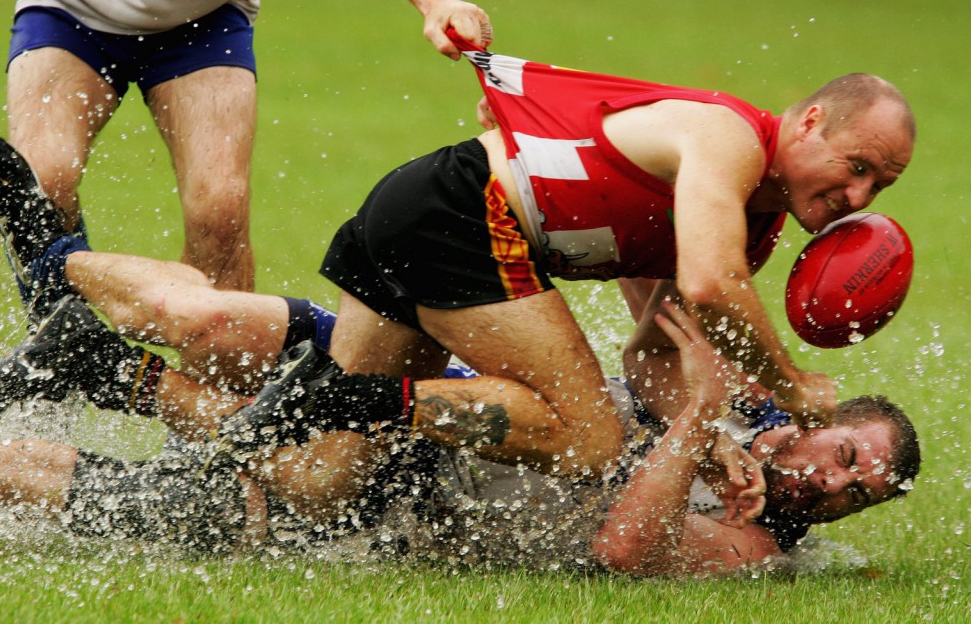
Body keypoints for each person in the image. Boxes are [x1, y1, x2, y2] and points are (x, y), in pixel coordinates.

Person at [212, 31, 916, 486]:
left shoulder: (750, 227)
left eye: (879, 185)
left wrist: (706, 448)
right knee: (590, 440)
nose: (859, 194)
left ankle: (171, 472)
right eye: (857, 165)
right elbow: (708, 285)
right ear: (812, 120)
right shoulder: (730, 140)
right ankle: (330, 393)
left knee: (330, 484)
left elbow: (654, 356)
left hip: (426, 211)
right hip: (460, 213)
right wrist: (791, 386)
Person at [0, 290, 920, 574]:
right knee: (242, 347)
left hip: (412, 500)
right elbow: (654, 335)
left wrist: (695, 426)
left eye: (858, 493)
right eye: (845, 458)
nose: (837, 485)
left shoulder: (756, 546)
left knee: (204, 494)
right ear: (816, 426)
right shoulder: (738, 418)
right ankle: (74, 308)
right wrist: (705, 415)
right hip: (447, 396)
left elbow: (628, 543)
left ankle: (9, 426)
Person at [0, 0, 492, 292]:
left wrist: (433, 0)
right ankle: (60, 345)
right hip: (64, 3)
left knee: (220, 211)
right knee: (42, 183)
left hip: (205, 15)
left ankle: (221, 409)